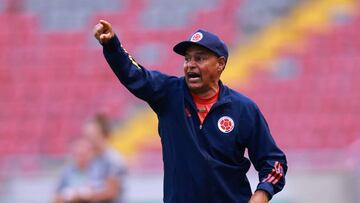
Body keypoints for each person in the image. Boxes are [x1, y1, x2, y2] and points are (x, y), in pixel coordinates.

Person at [93, 20, 288, 203]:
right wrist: (111, 45)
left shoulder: (243, 109)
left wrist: (262, 193)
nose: (190, 64)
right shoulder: (168, 94)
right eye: (187, 59)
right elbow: (134, 74)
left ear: (220, 64)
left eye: (200, 58)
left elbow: (273, 161)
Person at [54, 114, 127, 203]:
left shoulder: (113, 160)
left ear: (104, 135)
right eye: (87, 135)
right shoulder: (90, 158)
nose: (88, 138)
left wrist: (81, 195)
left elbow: (111, 192)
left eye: (92, 135)